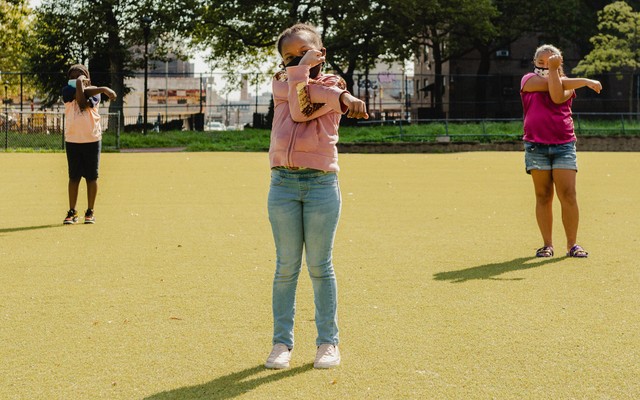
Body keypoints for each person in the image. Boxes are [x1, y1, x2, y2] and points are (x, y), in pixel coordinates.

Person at [265, 23, 368, 370]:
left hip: (322, 185)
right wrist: (299, 70)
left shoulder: (333, 84)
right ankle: (282, 343)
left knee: (320, 267)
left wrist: (346, 98)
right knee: (286, 268)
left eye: (304, 52)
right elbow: (297, 108)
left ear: (320, 53)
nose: (296, 60)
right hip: (283, 185)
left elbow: (321, 98)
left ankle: (328, 343)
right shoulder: (282, 82)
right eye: (289, 56)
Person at [520, 44, 602, 258]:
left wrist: (559, 73)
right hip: (536, 146)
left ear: (560, 64)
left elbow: (557, 95)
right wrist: (585, 81)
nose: (546, 66)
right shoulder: (528, 80)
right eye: (542, 63)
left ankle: (572, 245)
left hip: (563, 144)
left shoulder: (568, 86)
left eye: (552, 63)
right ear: (534, 64)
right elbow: (550, 84)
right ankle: (547, 244)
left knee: (568, 194)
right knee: (543, 195)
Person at [62, 64, 116, 224]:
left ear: (88, 78)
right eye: (73, 76)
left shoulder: (95, 93)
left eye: (80, 75)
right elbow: (79, 99)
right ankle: (72, 211)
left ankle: (90, 211)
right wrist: (101, 87)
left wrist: (101, 89)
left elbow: (85, 102)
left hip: (92, 139)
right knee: (74, 177)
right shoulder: (67, 91)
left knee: (92, 177)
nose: (76, 77)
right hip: (73, 139)